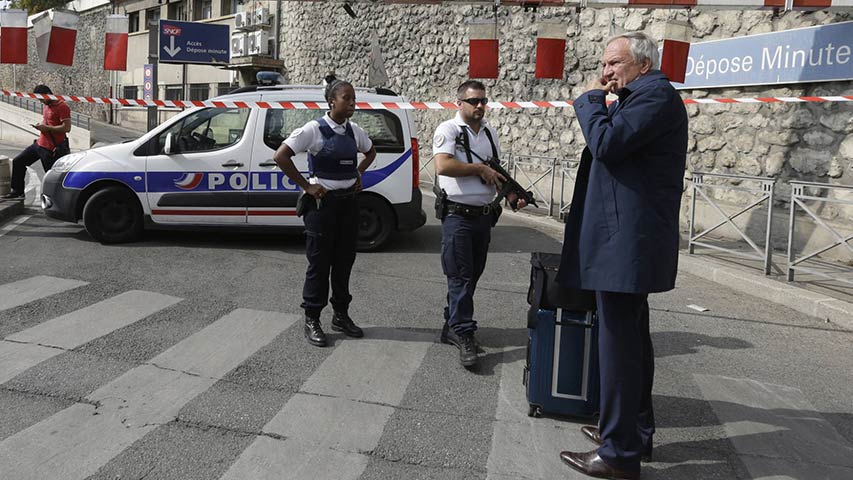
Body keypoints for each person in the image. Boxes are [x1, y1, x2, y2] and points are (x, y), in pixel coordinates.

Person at [556, 32, 688, 479]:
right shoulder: (646, 95)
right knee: (631, 343)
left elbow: (607, 145)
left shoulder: (654, 96)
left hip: (625, 245)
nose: (605, 72)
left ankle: (617, 454)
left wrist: (589, 102)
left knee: (619, 348)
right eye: (603, 65)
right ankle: (633, 434)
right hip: (625, 243)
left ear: (644, 64)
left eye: (614, 63)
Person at [273, 76, 376, 347]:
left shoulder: (354, 131)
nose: (353, 103)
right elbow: (281, 156)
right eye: (347, 98)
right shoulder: (314, 129)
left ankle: (341, 315)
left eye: (354, 98)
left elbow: (371, 152)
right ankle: (312, 318)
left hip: (349, 204)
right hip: (323, 207)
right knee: (319, 264)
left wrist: (358, 174)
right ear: (332, 101)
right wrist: (307, 186)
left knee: (344, 262)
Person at [432, 80, 527, 368]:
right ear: (459, 103)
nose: (480, 106)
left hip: (483, 216)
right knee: (460, 275)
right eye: (473, 101)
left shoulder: (488, 132)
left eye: (483, 101)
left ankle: (452, 323)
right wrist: (478, 169)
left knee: (471, 275)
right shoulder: (448, 130)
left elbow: (494, 168)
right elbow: (443, 165)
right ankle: (464, 332)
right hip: (458, 215)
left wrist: (511, 192)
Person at [2, 85, 71, 200]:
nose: (41, 102)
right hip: (39, 144)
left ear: (47, 94)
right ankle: (18, 191)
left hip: (50, 149)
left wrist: (47, 128)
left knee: (51, 176)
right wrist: (40, 126)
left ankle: (57, 200)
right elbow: (48, 122)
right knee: (18, 161)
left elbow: (66, 128)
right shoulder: (46, 106)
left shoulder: (62, 107)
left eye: (41, 99)